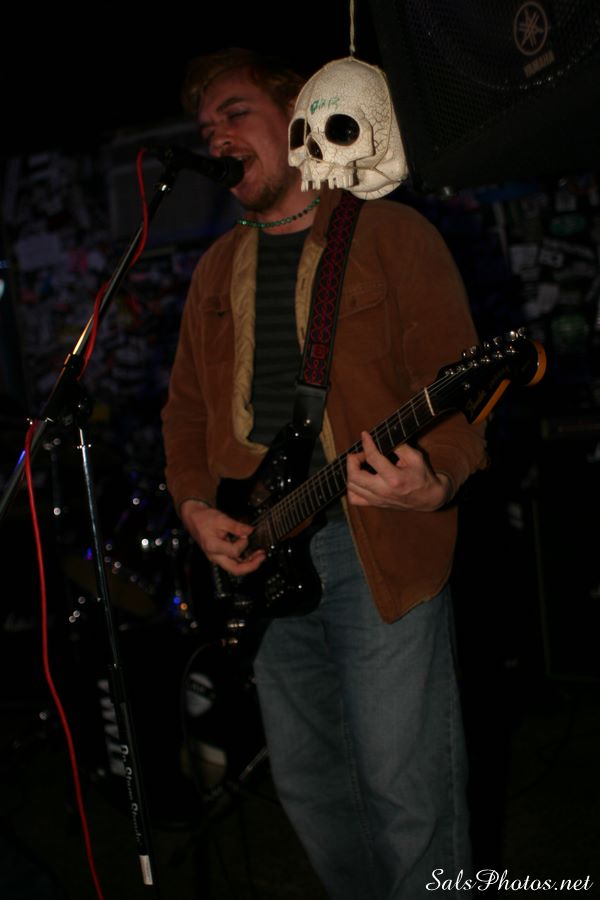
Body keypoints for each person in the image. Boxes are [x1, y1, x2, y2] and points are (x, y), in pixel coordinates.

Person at [161, 47, 488, 899]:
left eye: (235, 113)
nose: (216, 137)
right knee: (312, 791)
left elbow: (460, 389)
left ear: (296, 116)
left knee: (406, 796)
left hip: (376, 547)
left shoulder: (391, 235)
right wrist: (194, 507)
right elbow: (185, 416)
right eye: (206, 126)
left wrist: (438, 475)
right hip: (261, 558)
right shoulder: (213, 271)